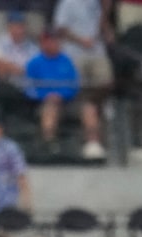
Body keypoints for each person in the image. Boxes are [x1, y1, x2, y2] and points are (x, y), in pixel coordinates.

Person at [26, 31, 104, 159]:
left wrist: (61, 95)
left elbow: (74, 85)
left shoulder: (66, 61)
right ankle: (49, 143)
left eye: (55, 41)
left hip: (68, 101)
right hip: (45, 102)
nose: (53, 44)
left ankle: (93, 143)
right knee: (50, 109)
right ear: (43, 43)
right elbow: (29, 88)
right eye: (49, 41)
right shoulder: (34, 63)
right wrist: (47, 95)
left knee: (88, 108)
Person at [0, 11, 38, 88]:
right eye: (16, 26)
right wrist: (12, 68)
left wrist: (10, 67)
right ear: (9, 27)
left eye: (22, 26)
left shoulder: (33, 48)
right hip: (4, 86)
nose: (19, 31)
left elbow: (32, 70)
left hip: (26, 88)